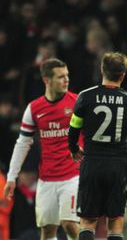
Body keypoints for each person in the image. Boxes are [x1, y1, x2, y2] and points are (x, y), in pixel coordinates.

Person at [68, 52, 127, 240]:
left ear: (102, 70)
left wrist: (74, 149)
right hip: (118, 166)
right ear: (123, 75)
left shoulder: (85, 97)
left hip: (92, 163)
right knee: (115, 223)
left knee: (87, 222)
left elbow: (73, 128)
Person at [3, 58, 80, 240]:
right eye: (61, 77)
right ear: (47, 80)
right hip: (46, 179)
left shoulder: (78, 103)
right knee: (47, 231)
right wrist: (12, 177)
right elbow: (22, 144)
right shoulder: (34, 108)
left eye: (67, 76)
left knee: (69, 224)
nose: (66, 80)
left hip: (73, 175)